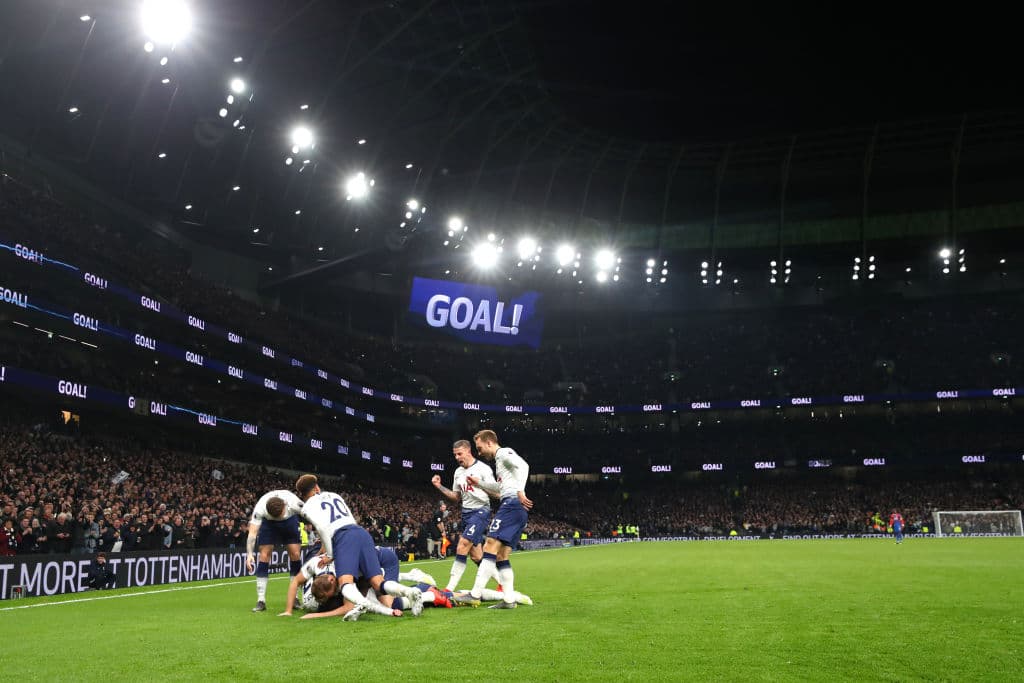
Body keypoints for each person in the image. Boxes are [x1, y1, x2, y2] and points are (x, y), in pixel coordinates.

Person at [295, 474, 423, 618]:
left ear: (303, 494)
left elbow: (322, 529)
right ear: (316, 487)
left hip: (343, 537)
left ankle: (361, 604)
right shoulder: (334, 495)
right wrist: (322, 550)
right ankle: (409, 592)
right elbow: (348, 518)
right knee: (377, 582)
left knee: (345, 583)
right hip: (360, 532)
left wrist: (330, 555)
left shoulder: (307, 507)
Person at [454, 430, 532, 609]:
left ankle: (474, 595)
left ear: (489, 443)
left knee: (489, 545)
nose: (479, 452)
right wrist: (479, 483)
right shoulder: (500, 462)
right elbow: (500, 486)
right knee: (501, 556)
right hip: (515, 508)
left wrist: (520, 490)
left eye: (479, 448)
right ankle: (509, 600)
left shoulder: (503, 453)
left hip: (511, 504)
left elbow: (524, 466)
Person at [432, 439, 497, 593]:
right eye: (455, 455)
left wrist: (479, 483)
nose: (457, 457)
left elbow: (497, 493)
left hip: (481, 511)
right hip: (466, 513)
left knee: (462, 545)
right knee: (476, 556)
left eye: (459, 454)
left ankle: (449, 588)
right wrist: (438, 486)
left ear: (468, 451)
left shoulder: (483, 469)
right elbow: (455, 497)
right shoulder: (458, 472)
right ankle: (501, 582)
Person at [246, 489, 305, 612]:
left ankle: (295, 597)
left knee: (295, 554)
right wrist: (249, 555)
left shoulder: (294, 503)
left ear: (285, 506)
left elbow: (313, 518)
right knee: (264, 555)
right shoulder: (260, 508)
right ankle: (261, 600)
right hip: (269, 525)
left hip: (289, 522)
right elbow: (252, 534)